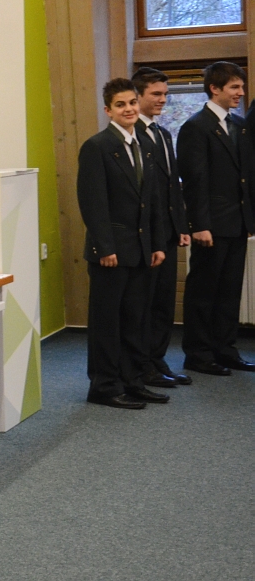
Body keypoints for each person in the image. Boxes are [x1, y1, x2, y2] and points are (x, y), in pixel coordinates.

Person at [76, 78, 168, 409]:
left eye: (131, 103)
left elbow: (152, 200)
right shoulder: (97, 146)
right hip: (111, 252)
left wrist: (157, 243)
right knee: (107, 323)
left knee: (135, 320)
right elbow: (92, 202)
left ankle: (133, 381)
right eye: (120, 104)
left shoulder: (145, 145)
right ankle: (104, 386)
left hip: (142, 249)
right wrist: (105, 247)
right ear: (108, 110)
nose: (128, 109)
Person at [177, 61, 255, 376]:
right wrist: (200, 225)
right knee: (204, 292)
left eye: (241, 87)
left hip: (237, 223)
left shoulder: (239, 125)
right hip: (211, 225)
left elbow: (245, 176)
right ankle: (198, 354)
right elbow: (194, 181)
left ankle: (225, 349)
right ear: (214, 88)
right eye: (235, 87)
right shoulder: (195, 127)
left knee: (229, 291)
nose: (241, 93)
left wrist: (248, 219)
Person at [131, 67, 192, 388]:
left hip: (168, 232)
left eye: (165, 94)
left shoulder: (163, 133)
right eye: (156, 94)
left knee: (164, 302)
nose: (163, 100)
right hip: (146, 235)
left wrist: (180, 225)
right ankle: (142, 366)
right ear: (137, 96)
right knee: (145, 302)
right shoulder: (132, 135)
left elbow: (172, 186)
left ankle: (157, 360)